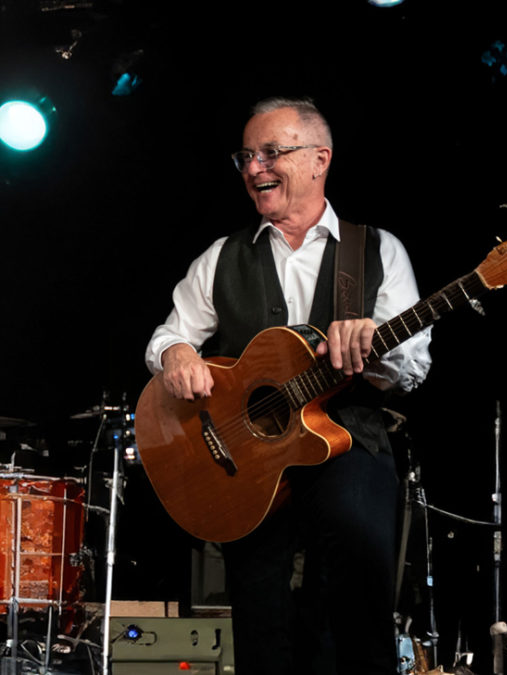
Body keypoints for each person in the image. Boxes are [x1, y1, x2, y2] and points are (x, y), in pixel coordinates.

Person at [144, 96, 431, 675]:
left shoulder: (378, 250)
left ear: (320, 158)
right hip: (245, 461)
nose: (254, 168)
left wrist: (371, 355)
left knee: (357, 564)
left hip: (346, 439)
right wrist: (176, 354)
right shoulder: (221, 257)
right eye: (246, 156)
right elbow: (167, 335)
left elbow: (413, 366)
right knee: (260, 611)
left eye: (271, 152)